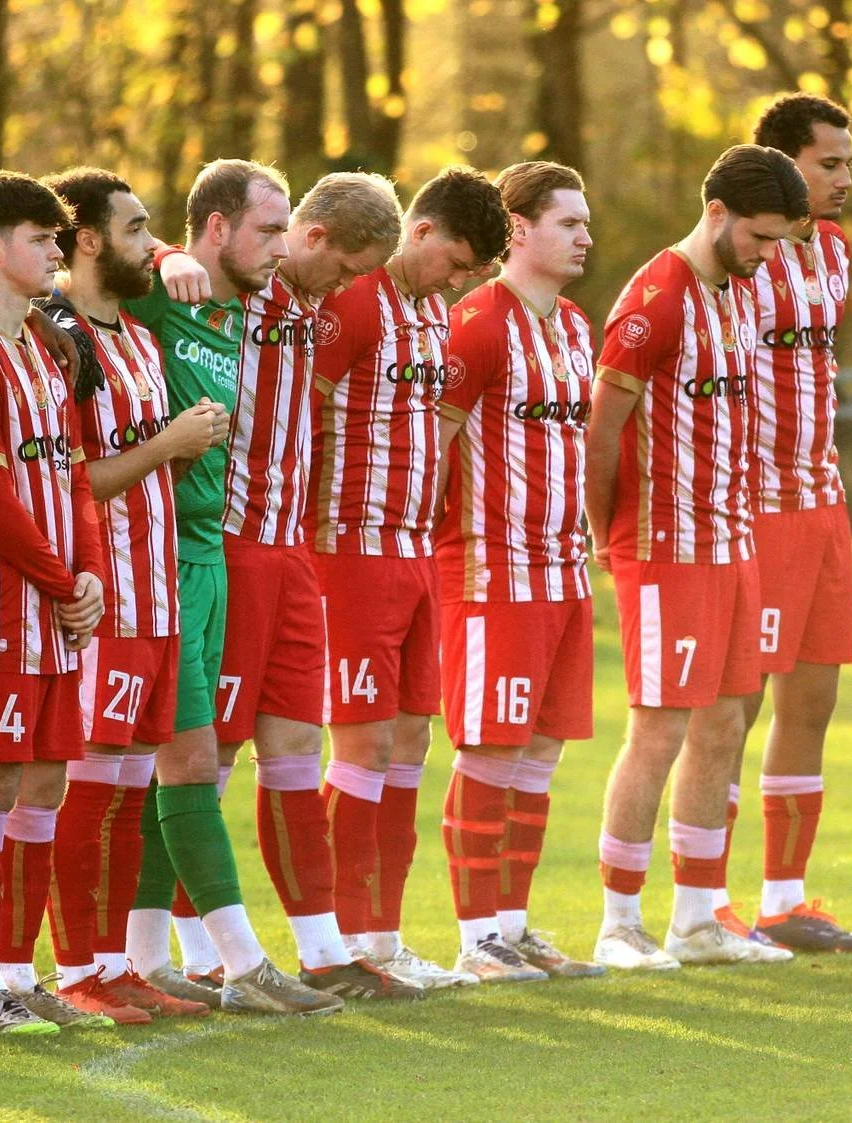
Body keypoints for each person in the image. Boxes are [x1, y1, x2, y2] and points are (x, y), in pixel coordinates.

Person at [119, 158, 343, 1015]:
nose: (281, 249)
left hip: (212, 561)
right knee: (177, 760)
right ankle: (239, 963)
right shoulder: (164, 294)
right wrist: (158, 263)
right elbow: (72, 298)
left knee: (175, 760)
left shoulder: (227, 312)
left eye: (287, 230)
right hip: (166, 562)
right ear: (214, 230)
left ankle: (140, 957)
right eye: (267, 230)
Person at [585, 145, 805, 970]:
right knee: (659, 728)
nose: (768, 252)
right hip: (663, 548)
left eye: (780, 240)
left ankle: (697, 919)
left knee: (724, 724)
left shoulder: (744, 290)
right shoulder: (655, 297)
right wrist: (609, 537)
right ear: (715, 212)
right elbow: (601, 434)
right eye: (758, 235)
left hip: (732, 543)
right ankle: (617, 923)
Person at [213, 172, 423, 1000]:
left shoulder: (306, 310)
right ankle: (192, 952)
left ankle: (325, 950)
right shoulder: (234, 294)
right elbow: (164, 264)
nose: (348, 289)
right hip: (230, 549)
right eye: (346, 268)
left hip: (294, 550)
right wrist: (165, 262)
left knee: (297, 750)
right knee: (212, 751)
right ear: (316, 236)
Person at [311, 167, 511, 990]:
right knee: (359, 743)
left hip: (415, 551)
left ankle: (385, 937)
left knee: (410, 742)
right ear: (419, 232)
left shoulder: (431, 313)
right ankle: (339, 940)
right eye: (455, 260)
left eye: (474, 274)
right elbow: (303, 412)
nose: (460, 282)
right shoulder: (354, 302)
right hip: (348, 549)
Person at [38, 166, 228, 1023]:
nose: (154, 244)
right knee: (88, 789)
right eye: (137, 228)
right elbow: (76, 479)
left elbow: (149, 462)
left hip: (157, 599)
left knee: (125, 793)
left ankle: (116, 962)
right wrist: (168, 444)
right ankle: (75, 967)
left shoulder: (141, 340)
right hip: (100, 601)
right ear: (86, 240)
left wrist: (182, 450)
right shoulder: (59, 338)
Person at [0, 170, 112, 1034]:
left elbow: (75, 476)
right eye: (43, 239)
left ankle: (16, 968)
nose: (57, 252)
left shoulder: (49, 350)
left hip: (54, 609)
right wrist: (56, 579)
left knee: (45, 783)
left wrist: (86, 572)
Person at [432, 161, 605, 982]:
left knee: (540, 756)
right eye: (568, 222)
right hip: (490, 573)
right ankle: (476, 941)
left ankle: (513, 923)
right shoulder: (475, 322)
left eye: (584, 223)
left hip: (565, 573)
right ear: (519, 227)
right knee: (490, 753)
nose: (585, 237)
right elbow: (429, 442)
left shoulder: (574, 325)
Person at [720, 92, 852, 954]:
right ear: (782, 163)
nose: (845, 179)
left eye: (848, 163)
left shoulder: (838, 253)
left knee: (812, 700)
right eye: (830, 163)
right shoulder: (742, 258)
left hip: (823, 504)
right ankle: (708, 901)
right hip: (757, 507)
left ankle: (785, 899)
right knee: (733, 710)